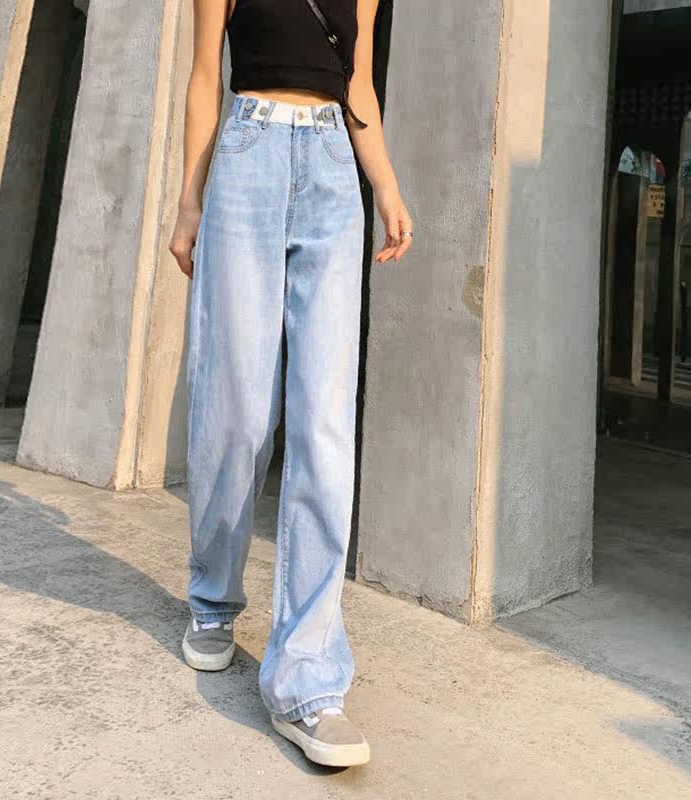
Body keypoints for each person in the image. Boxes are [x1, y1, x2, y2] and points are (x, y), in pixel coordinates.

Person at [169, 0, 413, 768]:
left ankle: (309, 677)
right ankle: (213, 598)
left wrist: (385, 184)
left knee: (324, 422)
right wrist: (189, 200)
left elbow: (357, 84)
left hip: (334, 167)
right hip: (247, 151)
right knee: (236, 413)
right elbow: (205, 75)